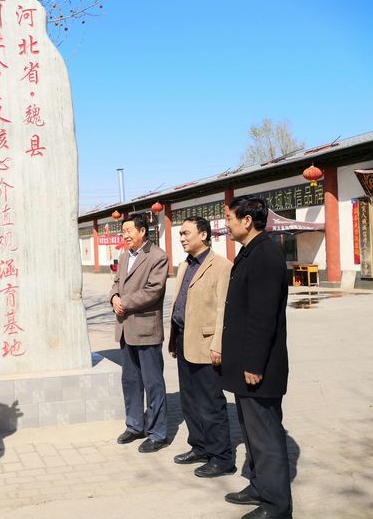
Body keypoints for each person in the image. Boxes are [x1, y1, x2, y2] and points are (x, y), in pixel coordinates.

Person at [222, 197, 292, 519]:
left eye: (230, 218)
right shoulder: (249, 252)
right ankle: (258, 485)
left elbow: (262, 318)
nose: (227, 224)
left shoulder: (265, 255)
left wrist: (253, 364)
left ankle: (277, 506)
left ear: (247, 221)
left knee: (266, 436)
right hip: (245, 364)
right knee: (251, 432)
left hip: (259, 367)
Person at [168, 216, 236, 478]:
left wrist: (218, 345)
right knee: (190, 401)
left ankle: (222, 457)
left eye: (186, 233)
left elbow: (222, 310)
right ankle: (199, 446)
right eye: (181, 234)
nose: (182, 238)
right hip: (185, 340)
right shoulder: (186, 265)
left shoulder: (221, 266)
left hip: (207, 345)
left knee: (211, 403)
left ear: (204, 235)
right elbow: (180, 304)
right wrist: (175, 339)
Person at [110, 215, 170, 452]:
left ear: (142, 231)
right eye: (122, 231)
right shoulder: (125, 256)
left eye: (128, 230)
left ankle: (158, 433)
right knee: (130, 380)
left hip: (146, 330)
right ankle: (135, 425)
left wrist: (123, 301)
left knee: (153, 383)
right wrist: (114, 297)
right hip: (125, 328)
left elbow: (153, 291)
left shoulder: (157, 256)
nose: (124, 235)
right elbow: (116, 282)